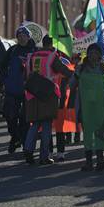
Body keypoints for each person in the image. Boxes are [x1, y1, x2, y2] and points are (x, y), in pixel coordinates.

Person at [23, 35, 72, 165]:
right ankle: (44, 156)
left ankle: (28, 149)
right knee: (46, 125)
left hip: (32, 95)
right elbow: (63, 70)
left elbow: (25, 75)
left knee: (34, 124)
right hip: (48, 94)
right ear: (51, 44)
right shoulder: (52, 56)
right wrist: (75, 74)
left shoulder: (31, 56)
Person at [71, 43, 104, 172]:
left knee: (99, 132)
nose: (93, 55)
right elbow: (72, 84)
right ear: (87, 54)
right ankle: (89, 162)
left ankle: (100, 159)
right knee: (87, 134)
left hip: (100, 105)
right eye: (91, 52)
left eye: (96, 52)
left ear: (100, 54)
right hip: (85, 106)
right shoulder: (81, 69)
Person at [0, 26, 36, 153]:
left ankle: (25, 142)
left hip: (29, 90)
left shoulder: (34, 51)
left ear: (28, 36)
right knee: (10, 116)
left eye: (23, 36)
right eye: (19, 36)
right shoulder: (12, 50)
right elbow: (2, 68)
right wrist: (2, 82)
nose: (21, 38)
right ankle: (15, 137)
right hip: (12, 89)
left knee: (25, 118)